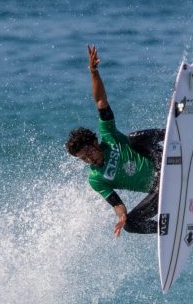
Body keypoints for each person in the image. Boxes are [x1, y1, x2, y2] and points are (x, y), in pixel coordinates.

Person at [66, 45, 164, 237]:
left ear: (94, 142)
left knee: (133, 138)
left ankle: (173, 134)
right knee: (130, 224)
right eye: (83, 159)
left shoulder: (109, 136)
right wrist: (121, 217)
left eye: (88, 153)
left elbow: (101, 102)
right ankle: (169, 229)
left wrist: (93, 72)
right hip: (159, 189)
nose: (88, 160)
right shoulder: (96, 179)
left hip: (161, 160)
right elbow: (118, 204)